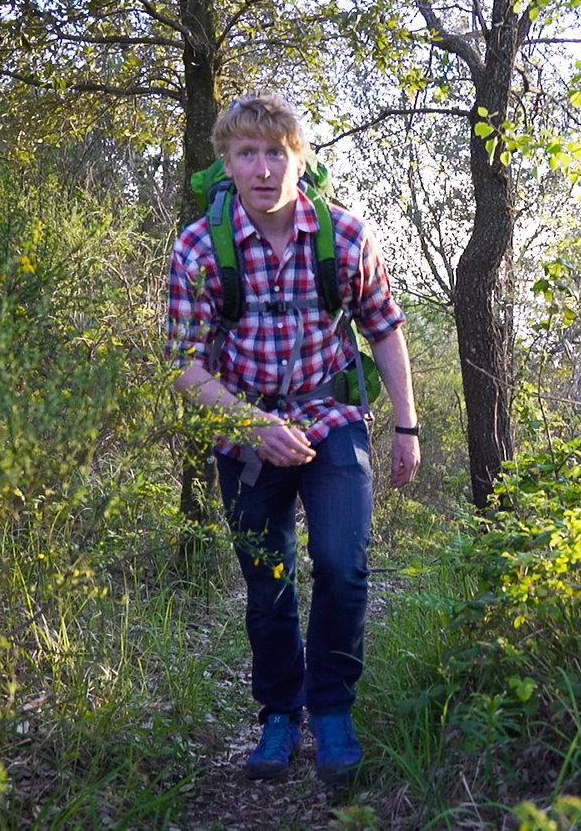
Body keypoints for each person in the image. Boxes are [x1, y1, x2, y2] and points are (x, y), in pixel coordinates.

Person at [164, 93, 420, 784]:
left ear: (298, 159)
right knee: (268, 579)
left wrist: (406, 426)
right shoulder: (197, 248)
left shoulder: (344, 236)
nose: (264, 166)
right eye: (247, 153)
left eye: (277, 151)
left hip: (332, 421)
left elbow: (385, 328)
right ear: (227, 163)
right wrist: (253, 426)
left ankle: (331, 710)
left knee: (342, 563)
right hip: (244, 430)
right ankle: (278, 715)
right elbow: (183, 362)